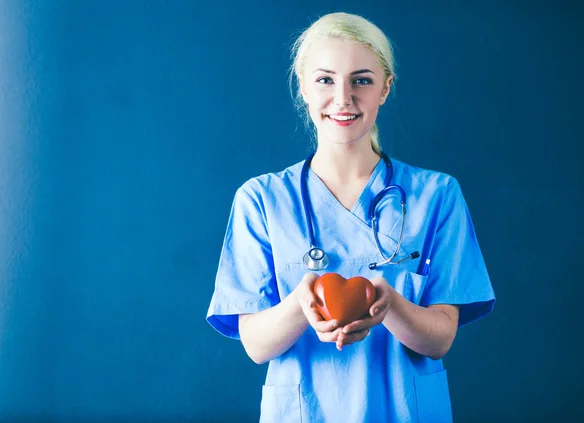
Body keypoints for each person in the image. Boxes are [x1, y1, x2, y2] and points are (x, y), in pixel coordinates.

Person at [206, 11, 495, 423]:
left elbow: (441, 338)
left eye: (362, 80)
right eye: (325, 79)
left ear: (385, 88)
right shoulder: (261, 199)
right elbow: (255, 345)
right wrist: (300, 304)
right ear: (303, 86)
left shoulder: (437, 196)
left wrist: (390, 304)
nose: (343, 98)